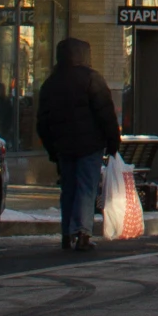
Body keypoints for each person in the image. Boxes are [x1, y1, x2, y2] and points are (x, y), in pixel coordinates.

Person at [35, 37, 121, 252]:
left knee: (69, 188)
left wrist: (52, 149)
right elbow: (105, 114)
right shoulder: (92, 79)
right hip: (89, 144)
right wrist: (113, 142)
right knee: (86, 187)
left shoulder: (51, 83)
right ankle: (83, 231)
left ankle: (66, 233)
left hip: (63, 146)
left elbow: (42, 121)